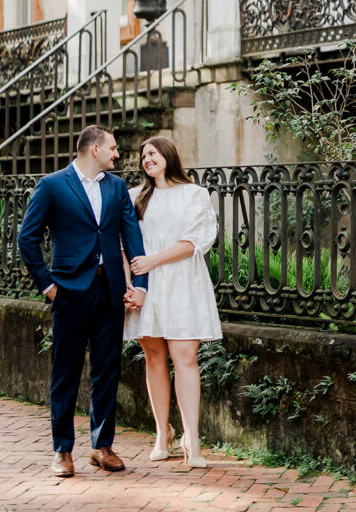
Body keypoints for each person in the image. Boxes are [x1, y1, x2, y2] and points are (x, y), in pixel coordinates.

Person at [18, 125, 148, 478]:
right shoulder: (53, 185)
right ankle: (62, 451)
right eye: (113, 148)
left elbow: (131, 236)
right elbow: (27, 238)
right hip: (70, 292)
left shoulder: (117, 187)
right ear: (94, 149)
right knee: (66, 371)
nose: (117, 154)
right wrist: (46, 285)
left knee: (107, 369)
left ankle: (102, 447)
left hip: (110, 291)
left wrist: (141, 284)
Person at [124, 136, 221, 468]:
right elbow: (122, 244)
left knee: (186, 357)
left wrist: (153, 261)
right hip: (147, 287)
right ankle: (161, 433)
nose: (147, 158)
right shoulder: (134, 197)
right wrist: (132, 284)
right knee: (153, 357)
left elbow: (195, 241)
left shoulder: (193, 194)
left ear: (168, 155)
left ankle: (191, 439)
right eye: (143, 155)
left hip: (182, 283)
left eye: (152, 152)